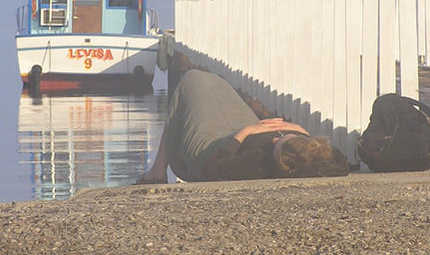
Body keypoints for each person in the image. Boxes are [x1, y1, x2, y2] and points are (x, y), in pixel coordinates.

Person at [137, 69, 350, 183]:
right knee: (215, 82)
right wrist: (302, 133)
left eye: (277, 144)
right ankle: (157, 169)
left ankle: (158, 170)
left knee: (192, 80)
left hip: (214, 146)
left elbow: (211, 170)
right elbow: (342, 163)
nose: (276, 138)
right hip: (246, 130)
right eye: (283, 138)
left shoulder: (256, 162)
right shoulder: (318, 158)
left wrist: (247, 131)